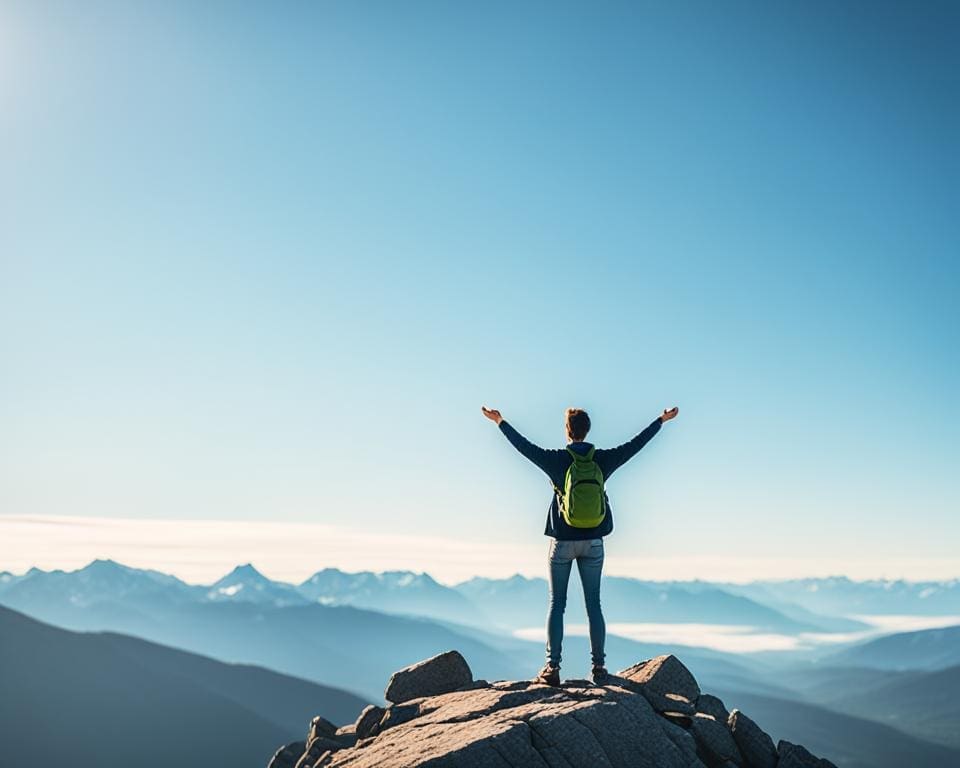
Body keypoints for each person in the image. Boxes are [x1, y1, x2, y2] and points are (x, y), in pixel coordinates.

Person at [481, 404, 679, 685]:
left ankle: (552, 669)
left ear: (567, 431)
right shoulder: (603, 460)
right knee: (594, 605)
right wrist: (661, 420)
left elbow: (523, 447)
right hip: (594, 543)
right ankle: (599, 669)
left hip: (562, 542)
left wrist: (499, 421)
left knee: (557, 604)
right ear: (587, 430)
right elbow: (636, 445)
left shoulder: (556, 460)